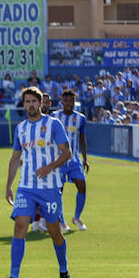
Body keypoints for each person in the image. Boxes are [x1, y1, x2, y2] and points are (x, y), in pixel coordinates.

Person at [0, 87, 71, 278]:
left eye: (33, 101)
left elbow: (67, 153)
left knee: (54, 231)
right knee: (20, 226)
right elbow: (15, 159)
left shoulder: (53, 124)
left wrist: (50, 167)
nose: (30, 105)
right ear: (23, 105)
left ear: (40, 103)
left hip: (50, 187)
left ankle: (63, 270)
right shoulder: (20, 128)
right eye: (27, 102)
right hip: (26, 187)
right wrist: (8, 186)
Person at [55, 88, 89, 231]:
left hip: (74, 159)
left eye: (71, 101)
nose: (69, 103)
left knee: (82, 186)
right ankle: (62, 221)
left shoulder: (81, 118)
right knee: (59, 190)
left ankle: (77, 217)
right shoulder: (55, 117)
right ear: (62, 102)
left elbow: (82, 138)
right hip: (59, 159)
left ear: (75, 102)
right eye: (66, 100)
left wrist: (85, 159)